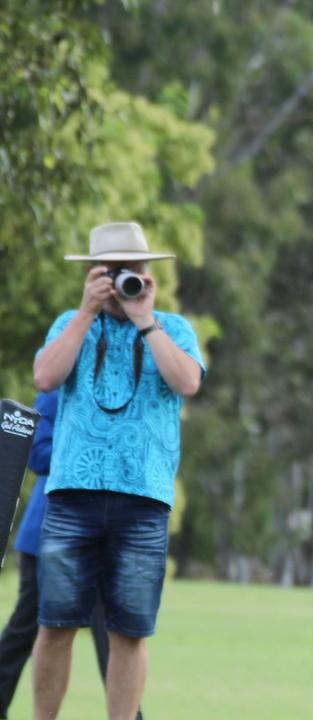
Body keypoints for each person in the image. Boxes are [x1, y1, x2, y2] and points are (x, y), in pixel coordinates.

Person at [30, 222, 203, 720]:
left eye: (136, 270)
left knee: (129, 631)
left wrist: (146, 321)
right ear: (92, 273)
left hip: (142, 498)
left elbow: (187, 382)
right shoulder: (70, 321)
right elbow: (45, 375)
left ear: (150, 274)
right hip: (73, 496)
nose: (127, 280)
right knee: (54, 623)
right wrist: (86, 312)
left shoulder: (175, 328)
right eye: (114, 271)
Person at [0, 390, 142, 720]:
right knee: (25, 632)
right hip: (49, 537)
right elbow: (37, 453)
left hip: (106, 537)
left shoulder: (126, 387)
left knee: (116, 636)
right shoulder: (59, 382)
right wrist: (97, 450)